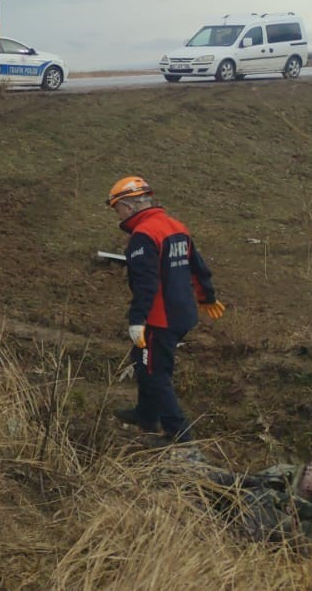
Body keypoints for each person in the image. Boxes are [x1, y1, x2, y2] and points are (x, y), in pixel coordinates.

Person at [107, 176, 225, 443]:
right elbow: (197, 266)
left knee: (155, 373)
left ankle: (178, 435)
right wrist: (207, 297)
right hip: (184, 313)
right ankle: (146, 414)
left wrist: (137, 320)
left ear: (127, 206)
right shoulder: (175, 226)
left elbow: (146, 283)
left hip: (160, 318)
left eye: (118, 209)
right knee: (143, 360)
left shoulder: (143, 236)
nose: (119, 215)